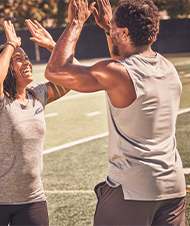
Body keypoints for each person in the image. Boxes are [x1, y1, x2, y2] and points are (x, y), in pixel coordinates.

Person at [44, 0, 186, 225]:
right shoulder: (168, 68)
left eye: (113, 28)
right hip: (173, 189)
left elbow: (55, 71)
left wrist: (75, 22)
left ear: (125, 32)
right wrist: (108, 26)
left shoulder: (119, 74)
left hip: (133, 190)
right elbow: (126, 60)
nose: (110, 29)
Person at [0, 20, 74, 226]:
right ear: (7, 67)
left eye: (27, 58)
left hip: (31, 198)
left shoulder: (38, 95)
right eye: (19, 60)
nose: (27, 63)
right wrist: (10, 45)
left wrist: (54, 46)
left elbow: (73, 77)